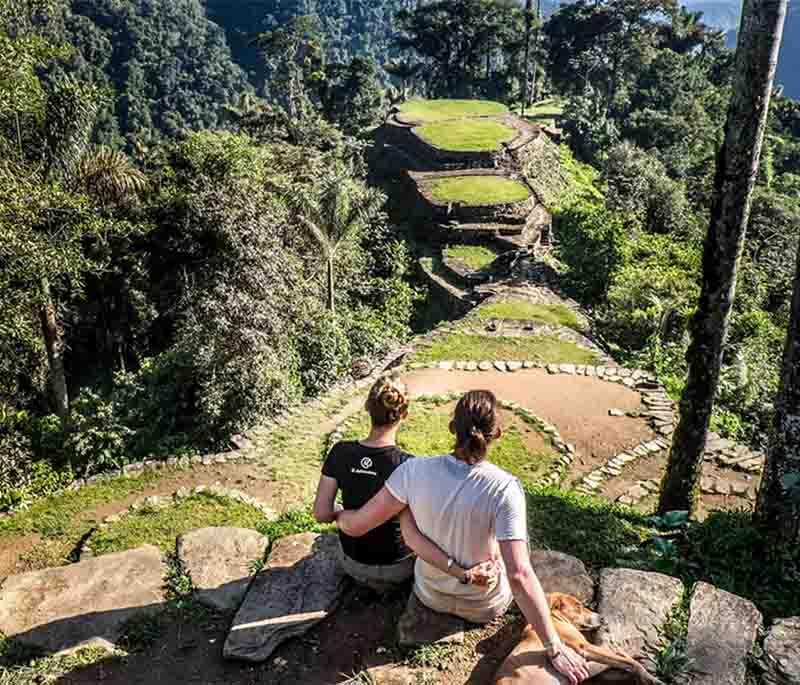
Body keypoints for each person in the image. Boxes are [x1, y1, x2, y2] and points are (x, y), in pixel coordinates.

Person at [336, 390, 590, 685]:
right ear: (498, 433)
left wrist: (337, 513)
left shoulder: (412, 471)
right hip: (484, 605)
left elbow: (357, 525)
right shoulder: (505, 488)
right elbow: (520, 575)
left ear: (451, 427)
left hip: (430, 595)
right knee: (508, 547)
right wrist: (553, 646)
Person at [313, 374, 493, 593]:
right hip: (398, 569)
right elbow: (412, 534)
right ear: (404, 414)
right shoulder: (409, 466)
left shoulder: (340, 451)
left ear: (368, 408)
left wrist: (341, 512)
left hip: (352, 563)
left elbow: (321, 514)